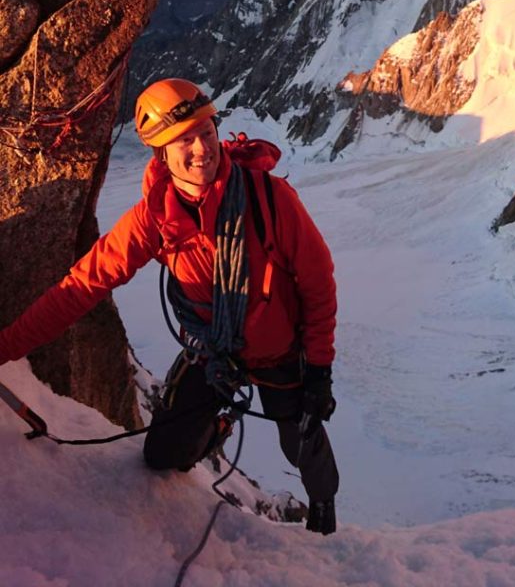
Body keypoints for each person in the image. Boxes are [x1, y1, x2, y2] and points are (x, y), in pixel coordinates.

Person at [0, 78, 339, 534]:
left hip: (279, 353)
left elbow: (317, 286)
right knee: (163, 455)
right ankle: (212, 432)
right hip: (214, 351)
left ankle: (323, 508)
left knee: (302, 442)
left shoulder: (270, 199)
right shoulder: (155, 218)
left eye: (206, 132)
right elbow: (81, 286)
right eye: (184, 140)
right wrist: (5, 347)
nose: (201, 149)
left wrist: (318, 370)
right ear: (160, 153)